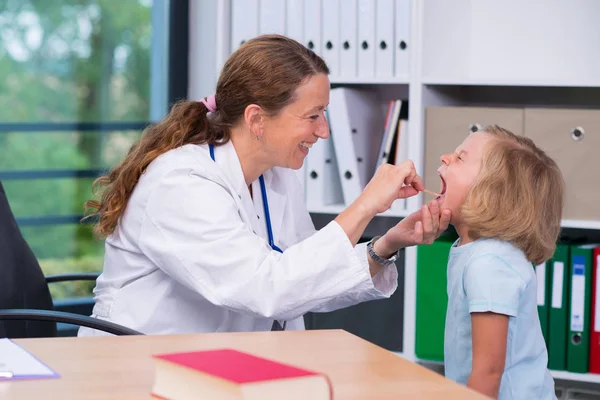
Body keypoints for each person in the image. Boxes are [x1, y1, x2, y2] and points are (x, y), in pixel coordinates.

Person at [78, 34, 450, 337]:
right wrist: (365, 204)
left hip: (219, 367)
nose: (323, 131)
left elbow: (306, 280)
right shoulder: (180, 184)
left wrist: (386, 245)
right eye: (313, 116)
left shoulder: (275, 176)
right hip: (138, 370)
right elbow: (269, 289)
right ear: (256, 119)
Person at [438, 124, 563, 399]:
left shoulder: (490, 263)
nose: (445, 157)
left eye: (461, 157)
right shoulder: (474, 251)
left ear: (490, 193)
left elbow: (489, 371)